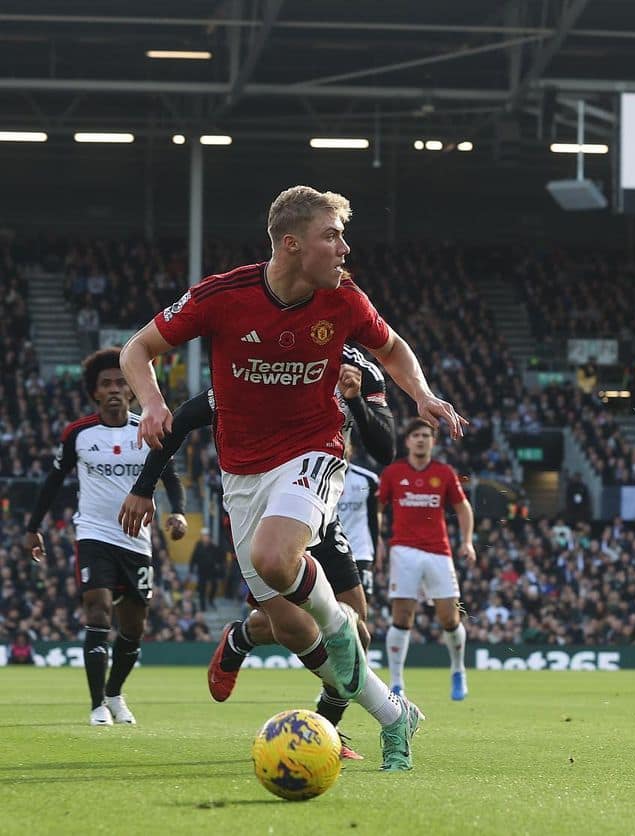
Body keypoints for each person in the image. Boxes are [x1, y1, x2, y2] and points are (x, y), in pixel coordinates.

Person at [118, 185, 464, 771]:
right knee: (291, 626)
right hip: (242, 475)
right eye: (332, 236)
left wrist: (423, 395)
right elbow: (138, 348)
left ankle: (340, 630)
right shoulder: (222, 296)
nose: (344, 248)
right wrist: (151, 403)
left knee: (281, 561)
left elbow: (395, 348)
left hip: (314, 450)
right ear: (291, 244)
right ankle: (392, 716)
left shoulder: (345, 300)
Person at [125, 347, 393, 760]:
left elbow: (385, 448)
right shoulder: (264, 357)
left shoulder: (360, 368)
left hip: (317, 503)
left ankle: (326, 732)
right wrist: (144, 487)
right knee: (295, 627)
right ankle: (243, 637)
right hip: (263, 510)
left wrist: (355, 399)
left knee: (357, 632)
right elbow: (181, 421)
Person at [24, 348, 188, 725]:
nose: (114, 389)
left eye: (121, 382)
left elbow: (171, 477)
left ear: (132, 389)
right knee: (97, 610)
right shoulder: (78, 434)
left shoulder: (147, 430)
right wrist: (34, 527)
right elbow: (53, 481)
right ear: (94, 392)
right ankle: (97, 704)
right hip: (93, 535)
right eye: (106, 384)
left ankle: (115, 694)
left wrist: (177, 511)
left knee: (133, 627)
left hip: (138, 540)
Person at [378, 417, 476, 700]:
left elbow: (463, 508)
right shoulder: (393, 473)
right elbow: (379, 508)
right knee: (402, 616)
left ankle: (458, 670)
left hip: (438, 551)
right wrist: (379, 542)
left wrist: (467, 542)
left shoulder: (444, 473)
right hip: (403, 550)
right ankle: (396, 683)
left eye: (426, 435)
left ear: (433, 441)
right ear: (407, 440)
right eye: (416, 435)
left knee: (449, 615)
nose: (421, 439)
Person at [190, 527, 225, 610]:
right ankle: (202, 606)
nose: (206, 538)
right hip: (201, 571)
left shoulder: (213, 547)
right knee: (202, 588)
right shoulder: (198, 545)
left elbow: (220, 558)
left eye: (207, 536)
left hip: (211, 571)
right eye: (204, 536)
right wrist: (191, 569)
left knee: (214, 585)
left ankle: (210, 600)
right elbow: (193, 557)